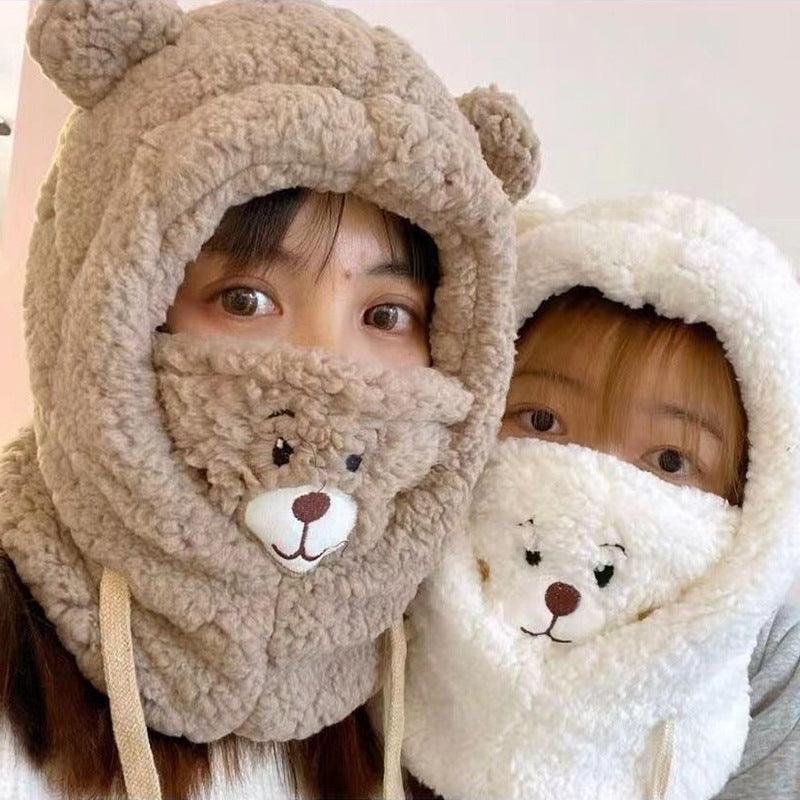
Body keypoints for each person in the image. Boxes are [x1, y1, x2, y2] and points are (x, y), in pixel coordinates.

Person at [0, 1, 539, 798]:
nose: (328, 372)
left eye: (386, 315)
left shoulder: (443, 673)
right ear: (111, 305)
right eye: (246, 299)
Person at [401, 193, 800, 800]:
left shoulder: (771, 657)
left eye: (670, 461)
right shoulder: (389, 589)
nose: (585, 488)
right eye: (542, 422)